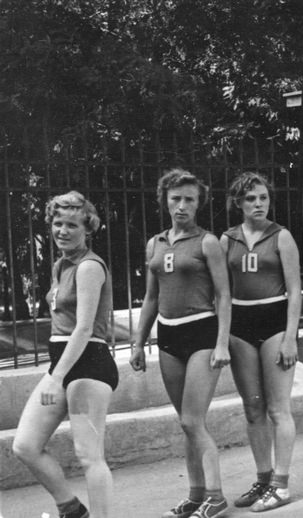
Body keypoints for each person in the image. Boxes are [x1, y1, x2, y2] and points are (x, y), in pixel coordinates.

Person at [130, 169, 232, 518]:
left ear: (199, 203)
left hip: (202, 333)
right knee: (186, 422)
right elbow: (150, 298)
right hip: (168, 337)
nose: (182, 206)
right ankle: (195, 494)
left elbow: (223, 295)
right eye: (176, 199)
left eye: (190, 199)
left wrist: (222, 344)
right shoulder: (155, 243)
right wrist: (138, 342)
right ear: (165, 201)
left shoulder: (208, 242)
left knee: (193, 420)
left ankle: (216, 496)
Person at [13, 191, 117, 518]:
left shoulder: (89, 267)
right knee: (26, 445)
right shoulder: (61, 265)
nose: (63, 230)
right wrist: (57, 373)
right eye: (58, 223)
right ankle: (71, 510)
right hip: (64, 363)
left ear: (88, 228)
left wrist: (55, 378)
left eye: (72, 225)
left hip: (90, 365)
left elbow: (84, 329)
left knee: (90, 457)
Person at [220, 172, 301, 511]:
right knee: (253, 408)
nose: (258, 204)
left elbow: (296, 289)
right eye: (251, 199)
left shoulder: (281, 237)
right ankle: (263, 478)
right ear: (238, 202)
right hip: (240, 326)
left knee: (277, 408)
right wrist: (222, 338)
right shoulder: (227, 240)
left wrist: (291, 338)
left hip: (274, 324)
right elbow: (221, 293)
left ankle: (281, 484)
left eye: (263, 198)